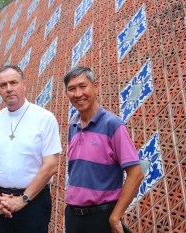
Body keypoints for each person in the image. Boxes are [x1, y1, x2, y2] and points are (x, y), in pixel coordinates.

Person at [0, 65, 62, 233]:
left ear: (24, 84)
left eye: (13, 83)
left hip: (33, 202)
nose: (9, 89)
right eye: (3, 85)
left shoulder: (44, 118)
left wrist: (23, 199)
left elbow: (51, 165)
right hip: (0, 202)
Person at [63, 66, 144, 233]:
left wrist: (115, 217)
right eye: (72, 89)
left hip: (101, 217)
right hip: (73, 217)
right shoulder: (73, 126)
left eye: (83, 86)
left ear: (95, 86)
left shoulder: (112, 124)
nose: (78, 94)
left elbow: (136, 173)